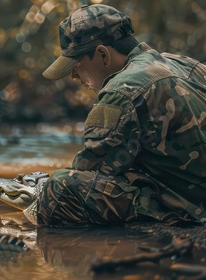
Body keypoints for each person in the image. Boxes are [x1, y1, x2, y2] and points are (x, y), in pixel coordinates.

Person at [37, 4, 206, 226]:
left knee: (59, 189)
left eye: (76, 65)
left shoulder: (123, 89)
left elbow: (89, 170)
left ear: (102, 55)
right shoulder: (184, 64)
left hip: (194, 209)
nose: (74, 77)